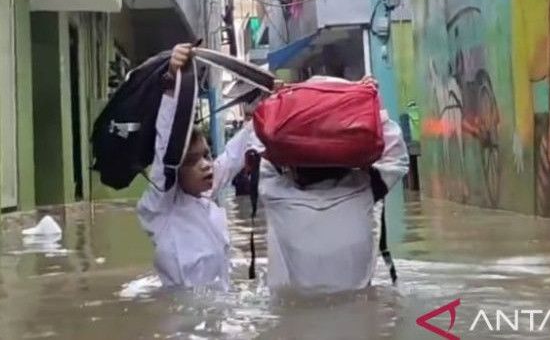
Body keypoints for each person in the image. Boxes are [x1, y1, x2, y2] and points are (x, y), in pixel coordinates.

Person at [254, 75, 410, 295]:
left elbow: (264, 145)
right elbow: (397, 156)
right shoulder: (365, 189)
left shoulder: (277, 195)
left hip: (297, 318)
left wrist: (277, 101)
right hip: (359, 317)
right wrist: (372, 103)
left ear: (291, 165)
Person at [136, 43, 254, 290]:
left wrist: (268, 109)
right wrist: (171, 82)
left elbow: (233, 155)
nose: (205, 165)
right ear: (175, 171)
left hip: (219, 312)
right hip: (182, 320)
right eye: (192, 161)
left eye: (206, 156)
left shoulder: (205, 197)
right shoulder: (161, 209)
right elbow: (164, 148)